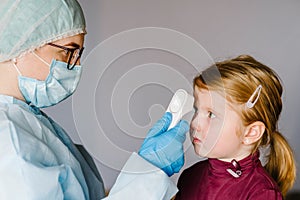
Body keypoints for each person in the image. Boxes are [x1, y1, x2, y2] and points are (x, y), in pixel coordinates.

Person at [0, 1, 189, 199]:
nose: (76, 65)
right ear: (22, 45)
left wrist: (147, 172)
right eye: (67, 52)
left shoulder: (27, 119)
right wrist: (150, 171)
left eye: (78, 54)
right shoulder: (10, 141)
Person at [175, 55, 296, 200]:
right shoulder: (190, 176)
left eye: (211, 115)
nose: (195, 123)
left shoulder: (262, 193)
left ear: (251, 132)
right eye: (197, 110)